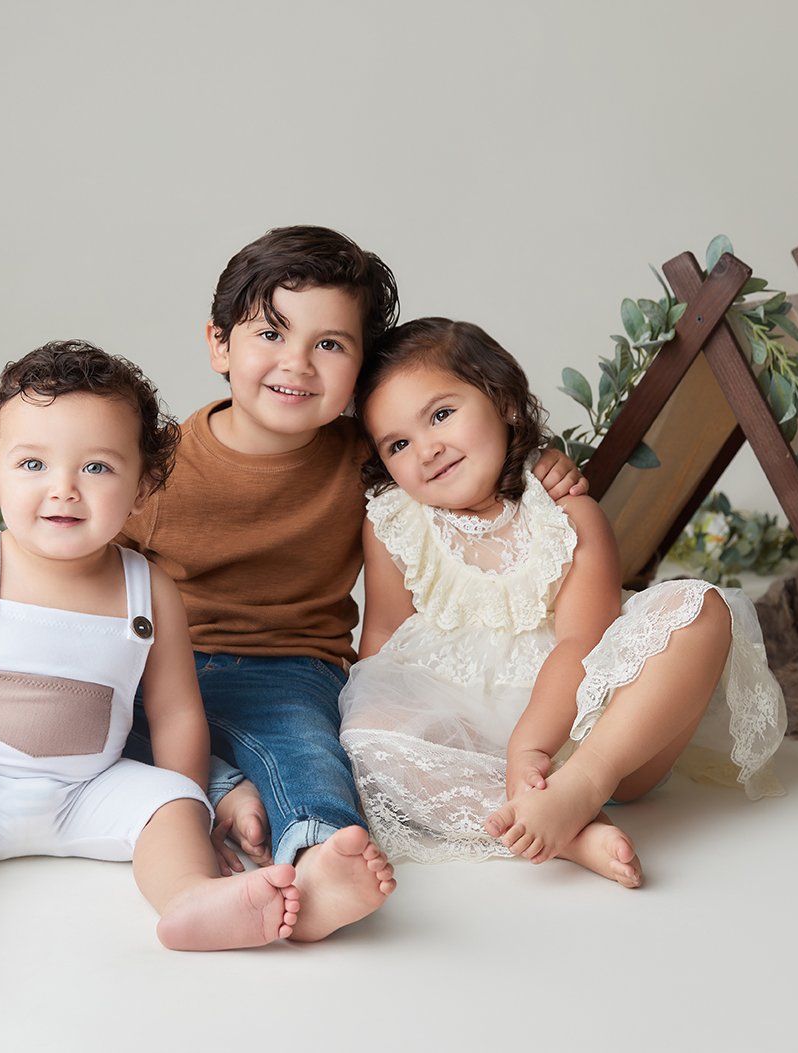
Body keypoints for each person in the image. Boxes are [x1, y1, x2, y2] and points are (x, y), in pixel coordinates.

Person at [119, 226, 587, 939]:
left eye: (329, 344)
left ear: (360, 370)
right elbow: (80, 570)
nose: (296, 364)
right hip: (159, 669)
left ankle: (316, 859)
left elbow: (457, 448)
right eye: (270, 333)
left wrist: (538, 462)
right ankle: (222, 788)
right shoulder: (155, 468)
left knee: (308, 752)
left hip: (289, 669)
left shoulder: (367, 454)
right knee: (92, 730)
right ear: (219, 344)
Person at [0, 341, 301, 998]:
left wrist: (186, 804)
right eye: (32, 463)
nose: (64, 488)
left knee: (167, 802)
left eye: (98, 467)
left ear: (143, 485)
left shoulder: (148, 589)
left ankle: (191, 897)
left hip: (89, 787)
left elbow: (175, 709)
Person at [339, 318, 787, 883]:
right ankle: (571, 836)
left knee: (701, 609)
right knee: (365, 734)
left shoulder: (565, 515)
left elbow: (585, 641)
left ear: (503, 401)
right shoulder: (394, 524)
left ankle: (582, 789)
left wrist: (531, 750)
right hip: (467, 734)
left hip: (594, 732)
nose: (426, 449)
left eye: (441, 414)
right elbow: (382, 640)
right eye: (398, 444)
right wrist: (375, 720)